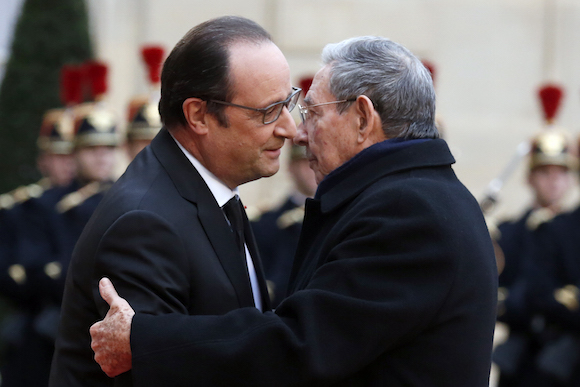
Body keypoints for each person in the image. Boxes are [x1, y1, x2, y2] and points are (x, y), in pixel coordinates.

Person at [90, 35, 498, 386]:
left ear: (362, 118)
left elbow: (302, 344)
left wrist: (142, 341)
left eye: (313, 114)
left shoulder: (412, 212)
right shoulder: (415, 197)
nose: (298, 133)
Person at [49, 16, 299, 386]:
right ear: (198, 115)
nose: (289, 129)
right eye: (267, 112)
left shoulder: (207, 190)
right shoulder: (144, 222)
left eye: (288, 102)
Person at [251, 142, 317, 307]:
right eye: (305, 162)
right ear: (291, 167)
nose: (312, 169)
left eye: (316, 161)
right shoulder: (265, 224)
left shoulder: (342, 218)